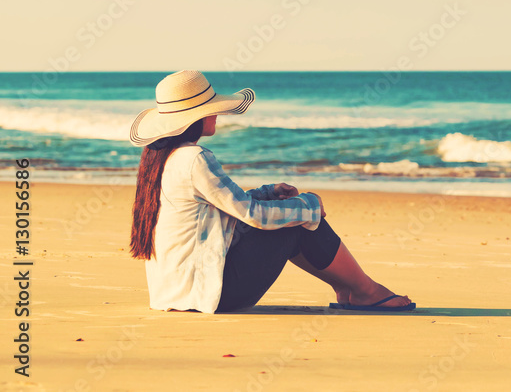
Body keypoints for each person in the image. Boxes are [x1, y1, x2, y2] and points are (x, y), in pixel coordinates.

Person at [128, 70, 414, 313]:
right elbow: (253, 216)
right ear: (195, 118)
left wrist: (268, 192)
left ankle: (347, 287)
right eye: (212, 109)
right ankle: (364, 289)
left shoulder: (159, 158)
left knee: (290, 212)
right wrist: (310, 206)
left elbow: (224, 204)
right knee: (296, 222)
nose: (218, 114)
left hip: (174, 294)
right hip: (210, 295)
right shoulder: (195, 158)